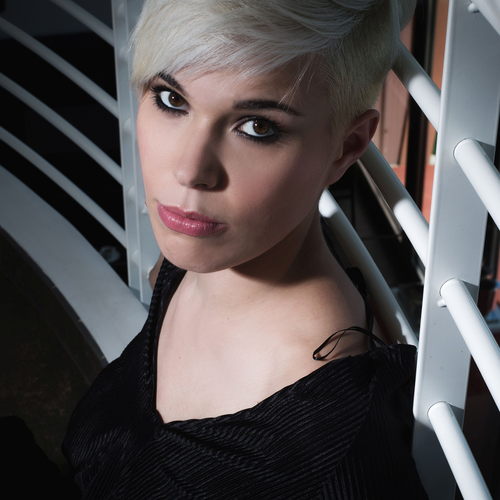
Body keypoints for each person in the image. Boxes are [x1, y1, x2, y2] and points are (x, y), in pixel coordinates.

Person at [63, 0, 429, 498]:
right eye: (171, 99)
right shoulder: (193, 261)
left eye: (257, 127)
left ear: (345, 147)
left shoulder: (336, 458)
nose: (190, 171)